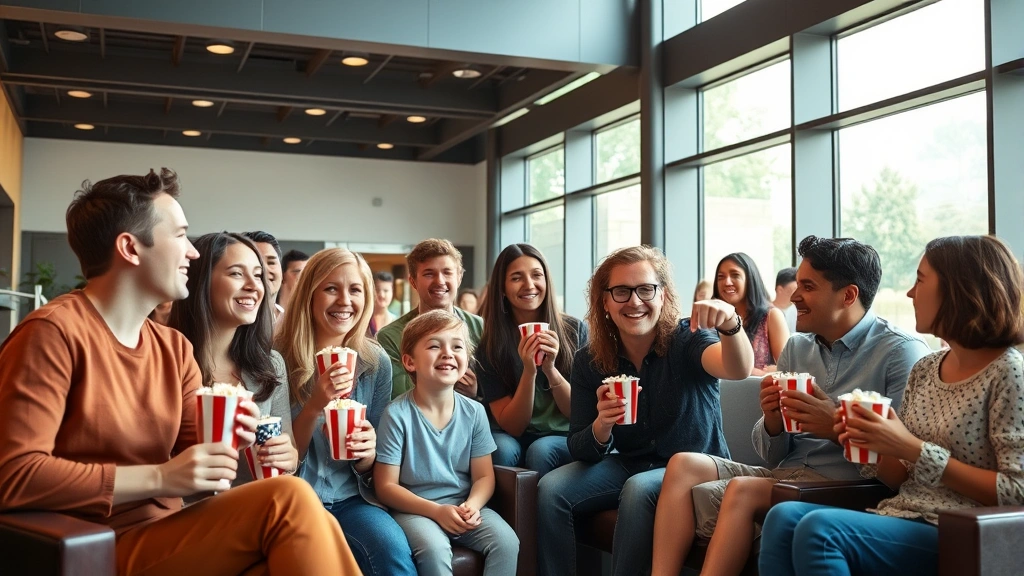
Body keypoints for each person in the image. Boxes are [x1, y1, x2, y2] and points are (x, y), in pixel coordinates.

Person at [0, 168, 357, 574]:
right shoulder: (52, 333)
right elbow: (15, 474)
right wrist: (160, 478)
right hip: (98, 544)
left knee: (309, 526)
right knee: (288, 500)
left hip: (171, 534)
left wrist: (236, 439)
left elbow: (199, 469)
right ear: (130, 249)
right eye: (180, 236)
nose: (192, 252)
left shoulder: (172, 347)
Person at [651, 236, 929, 576]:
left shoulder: (900, 352)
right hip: (788, 473)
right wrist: (772, 421)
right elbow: (773, 454)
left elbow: (902, 467)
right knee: (683, 465)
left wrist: (835, 427)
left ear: (849, 295)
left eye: (808, 287)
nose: (794, 296)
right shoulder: (798, 347)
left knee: (741, 490)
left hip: (850, 484)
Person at [760, 235, 1024, 576]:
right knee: (781, 516)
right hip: (902, 511)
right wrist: (856, 434)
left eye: (920, 280)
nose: (910, 293)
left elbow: (1016, 491)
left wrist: (913, 449)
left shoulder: (1008, 373)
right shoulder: (927, 369)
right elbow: (900, 476)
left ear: (960, 290)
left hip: (959, 528)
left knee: (821, 532)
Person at [537, 245, 754, 576]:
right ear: (605, 302)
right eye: (621, 291)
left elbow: (736, 369)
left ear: (662, 295)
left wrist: (730, 326)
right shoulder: (590, 360)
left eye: (645, 289)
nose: (635, 301)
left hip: (694, 466)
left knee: (638, 489)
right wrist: (602, 424)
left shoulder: (688, 339)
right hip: (632, 461)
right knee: (552, 490)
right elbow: (578, 445)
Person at [276, 247, 417, 576]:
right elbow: (282, 458)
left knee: (391, 551)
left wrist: (368, 454)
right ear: (310, 294)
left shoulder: (375, 361)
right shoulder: (278, 358)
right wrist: (314, 405)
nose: (344, 301)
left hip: (352, 498)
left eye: (354, 290)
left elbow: (377, 466)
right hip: (295, 498)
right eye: (330, 288)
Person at [376, 310, 519, 576]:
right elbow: (385, 487)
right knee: (434, 549)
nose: (447, 353)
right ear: (409, 361)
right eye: (434, 345)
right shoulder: (396, 414)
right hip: (415, 510)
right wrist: (437, 511)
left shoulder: (475, 412)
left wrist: (472, 506)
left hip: (463, 504)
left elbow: (484, 476)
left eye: (457, 346)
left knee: (507, 542)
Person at [169, 232, 298, 484]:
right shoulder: (165, 361)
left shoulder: (270, 364)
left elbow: (289, 447)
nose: (254, 285)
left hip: (258, 502)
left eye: (258, 275)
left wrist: (289, 457)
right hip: (188, 508)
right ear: (201, 282)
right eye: (237, 274)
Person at [477, 243, 587, 475]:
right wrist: (529, 371)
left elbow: (580, 412)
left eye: (537, 275)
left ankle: (537, 512)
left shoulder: (574, 330)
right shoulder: (490, 346)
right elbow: (513, 426)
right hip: (512, 433)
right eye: (516, 278)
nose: (529, 285)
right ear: (503, 288)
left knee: (542, 450)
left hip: (563, 433)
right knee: (501, 450)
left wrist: (550, 370)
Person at [377, 239, 483, 400]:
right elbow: (398, 394)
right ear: (413, 281)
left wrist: (478, 393)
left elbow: (497, 389)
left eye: (447, 272)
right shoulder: (390, 336)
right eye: (429, 274)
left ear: (459, 277)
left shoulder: (478, 327)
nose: (440, 281)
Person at [712, 252, 789, 375]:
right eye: (721, 277)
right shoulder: (712, 318)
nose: (727, 282)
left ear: (750, 279)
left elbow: (787, 371)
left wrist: (752, 372)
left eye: (735, 275)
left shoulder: (771, 316)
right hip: (719, 393)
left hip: (759, 392)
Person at [242, 231, 284, 324]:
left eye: (271, 262)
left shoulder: (293, 322)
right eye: (256, 262)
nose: (265, 270)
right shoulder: (231, 323)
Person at [277, 249, 309, 313]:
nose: (305, 277)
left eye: (308, 273)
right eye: (298, 273)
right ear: (282, 277)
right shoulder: (269, 313)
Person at [369, 270, 397, 337]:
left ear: (392, 292)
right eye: (377, 290)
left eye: (386, 291)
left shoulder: (396, 322)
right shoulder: (363, 319)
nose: (382, 295)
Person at [773, 266, 798, 333]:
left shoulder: (798, 312)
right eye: (795, 289)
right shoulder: (766, 313)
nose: (798, 294)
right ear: (780, 290)